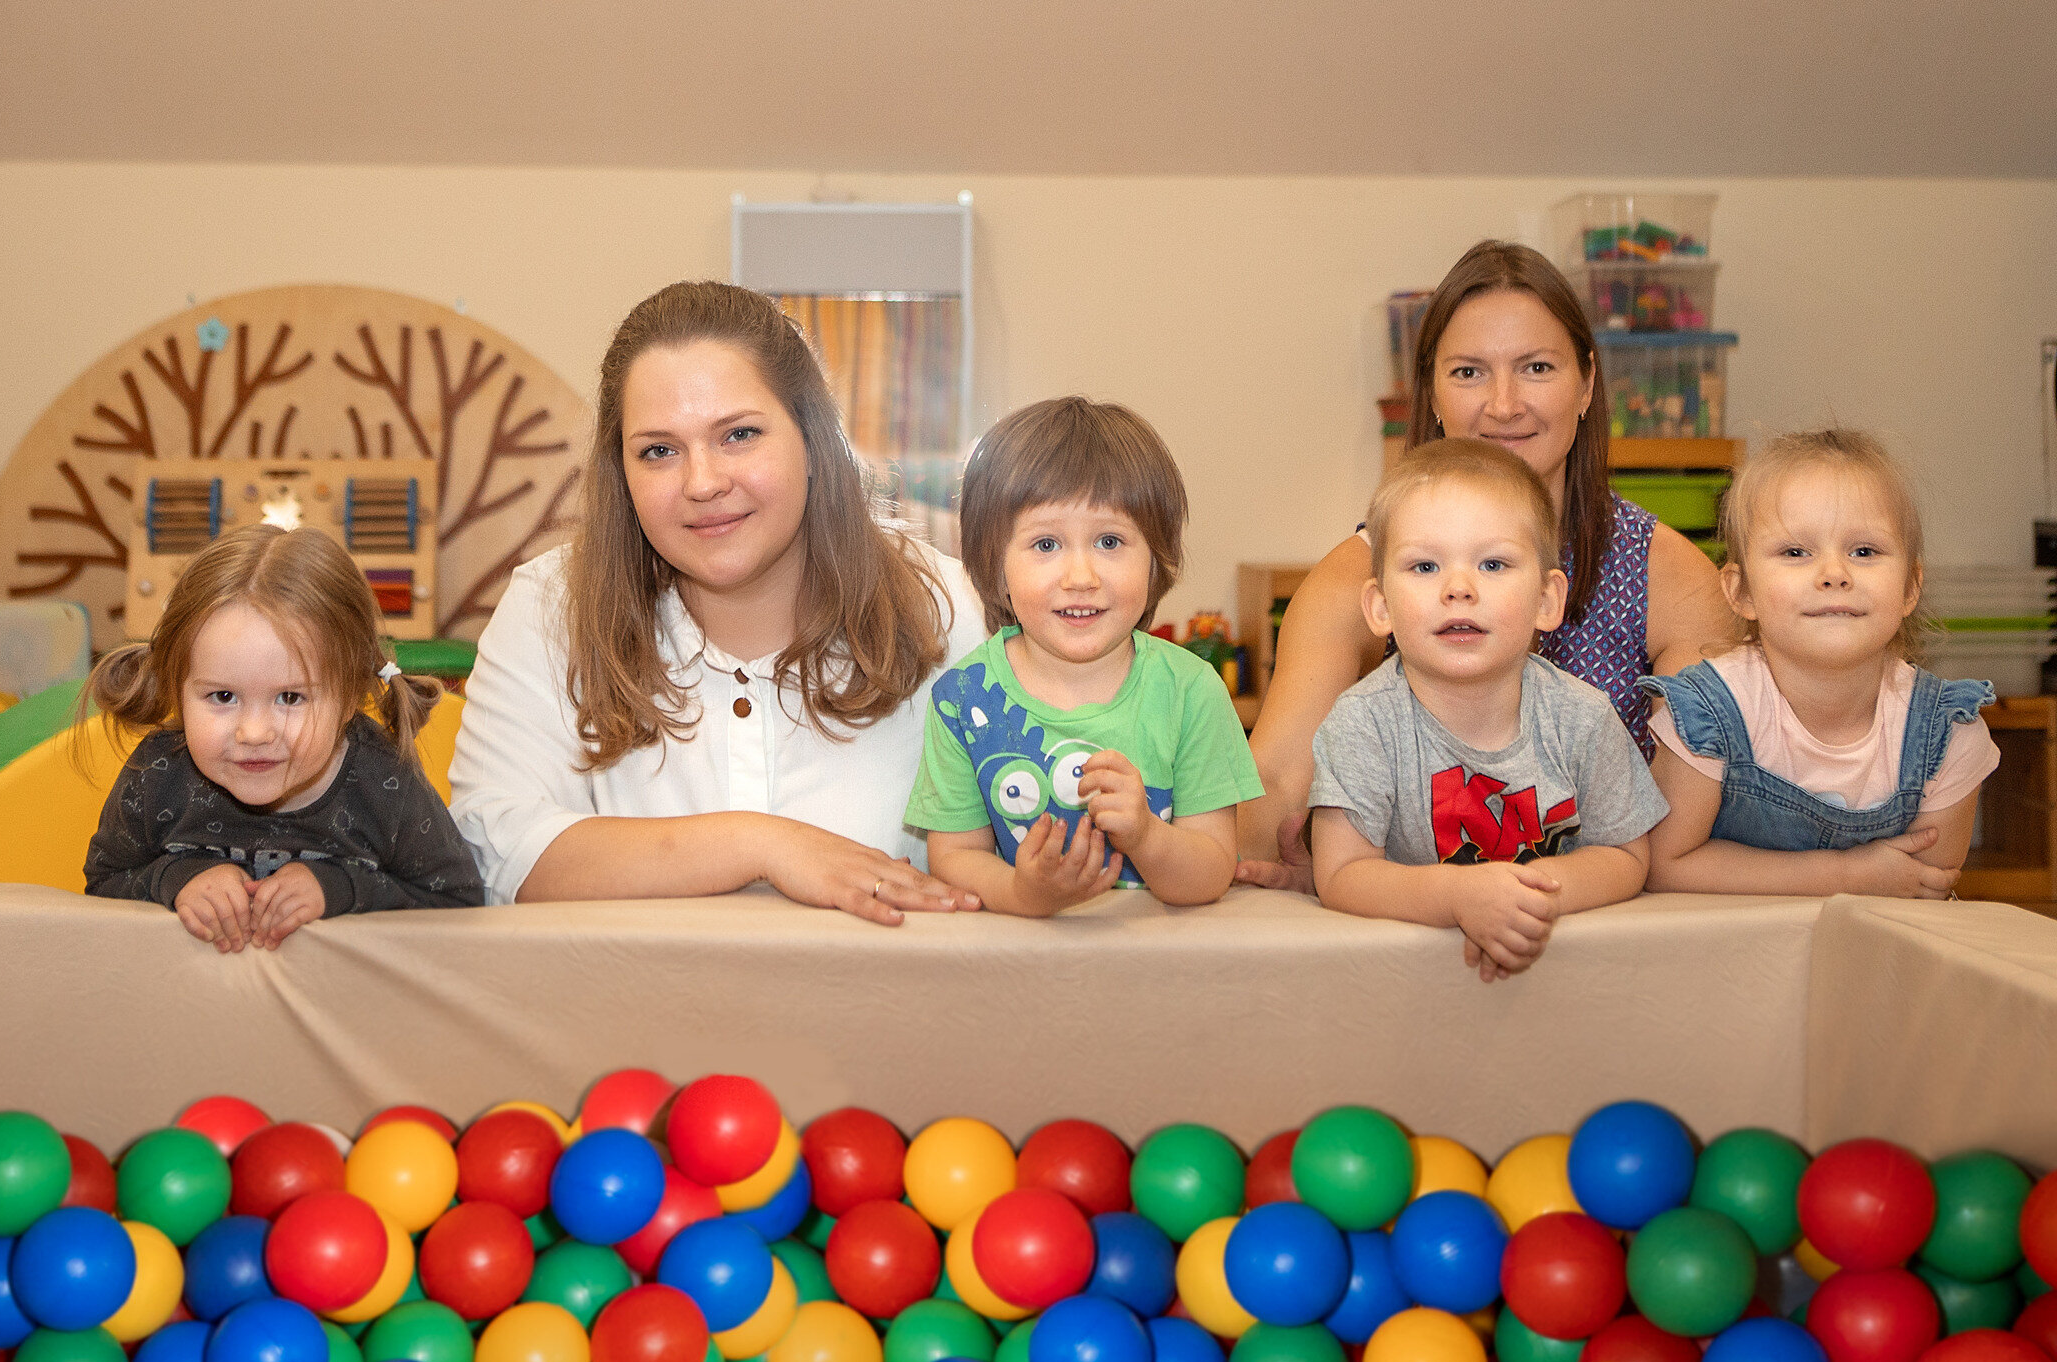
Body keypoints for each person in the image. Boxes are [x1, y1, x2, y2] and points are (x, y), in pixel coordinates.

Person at [449, 281, 987, 925]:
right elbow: (492, 850)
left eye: (738, 435)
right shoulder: (549, 609)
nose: (702, 483)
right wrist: (760, 845)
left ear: (814, 441)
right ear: (621, 472)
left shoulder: (955, 613)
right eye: (659, 451)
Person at [1241, 239, 1736, 888]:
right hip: (1412, 920)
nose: (1503, 405)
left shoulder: (1672, 576)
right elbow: (1276, 784)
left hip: (1607, 921)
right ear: (1431, 392)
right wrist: (1323, 867)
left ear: (1587, 383)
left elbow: (1680, 835)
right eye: (1469, 372)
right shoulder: (1353, 576)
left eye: (1536, 367)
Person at [1309, 442, 1667, 980]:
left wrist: (1523, 903)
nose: (1459, 589)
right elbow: (1341, 874)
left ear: (1547, 600)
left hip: (1559, 979)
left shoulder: (1585, 718)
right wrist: (1458, 896)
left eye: (1493, 564)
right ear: (1380, 607)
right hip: (1405, 984)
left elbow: (1627, 856)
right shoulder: (1362, 724)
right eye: (1425, 566)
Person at [906, 397, 1259, 914]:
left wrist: (1146, 836)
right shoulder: (963, 699)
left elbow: (1211, 873)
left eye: (1109, 542)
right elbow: (955, 857)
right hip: (1020, 956)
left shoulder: (1192, 690)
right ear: (995, 567)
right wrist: (1024, 893)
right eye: (1046, 545)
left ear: (1155, 562)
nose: (1080, 578)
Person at [82, 523, 481, 949]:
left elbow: (460, 904)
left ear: (350, 695)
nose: (254, 733)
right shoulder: (158, 773)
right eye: (223, 696)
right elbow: (101, 888)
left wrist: (340, 889)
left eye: (290, 697)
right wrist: (176, 879)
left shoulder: (384, 781)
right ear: (176, 689)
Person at [1641, 428, 1995, 896]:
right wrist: (1846, 874)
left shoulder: (1948, 736)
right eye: (1795, 552)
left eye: (1864, 551)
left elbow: (1923, 892)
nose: (1833, 574)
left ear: (1910, 587)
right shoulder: (1705, 714)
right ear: (1741, 592)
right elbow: (1663, 866)